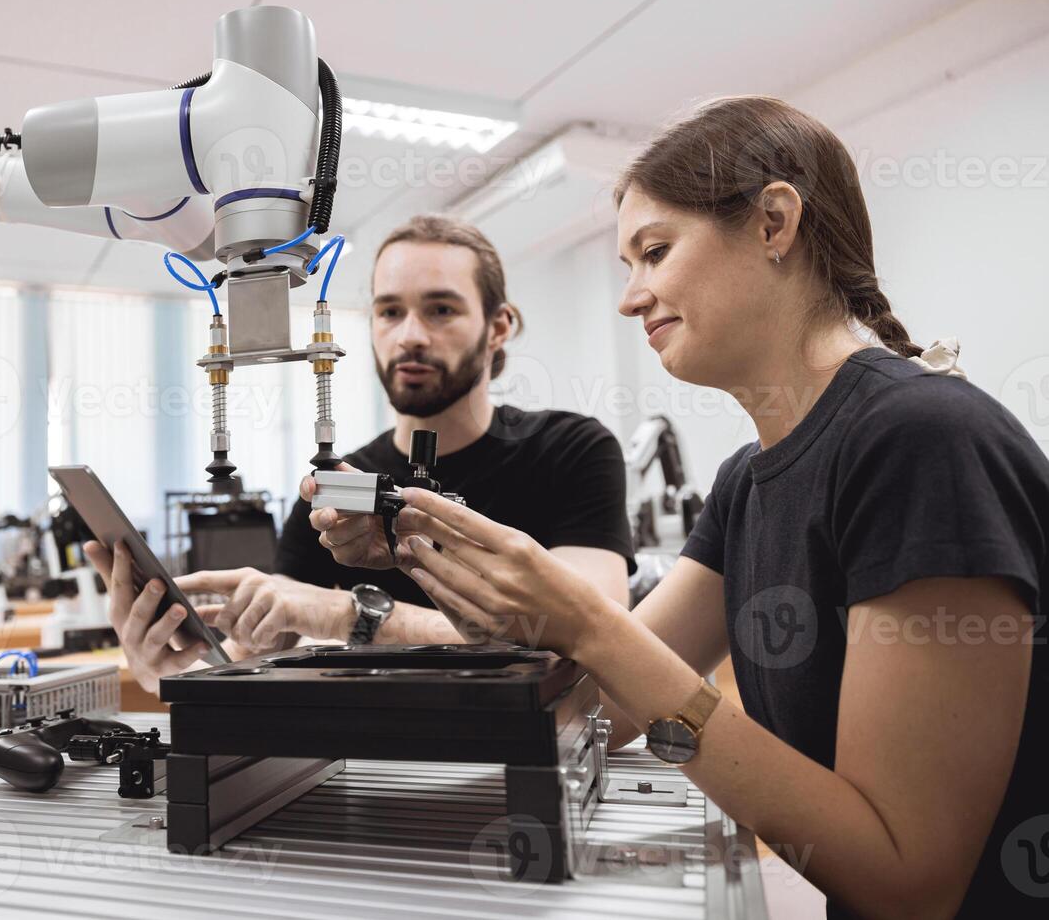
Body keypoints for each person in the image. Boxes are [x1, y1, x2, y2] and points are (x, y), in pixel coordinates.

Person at [325, 97, 1045, 916]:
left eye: (655, 253)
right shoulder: (746, 484)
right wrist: (432, 557)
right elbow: (605, 705)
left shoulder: (920, 439)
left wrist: (587, 621)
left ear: (775, 223)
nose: (632, 299)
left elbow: (909, 882)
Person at [86, 214, 635, 690]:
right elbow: (279, 656)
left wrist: (356, 615)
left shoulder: (571, 451)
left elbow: (594, 638)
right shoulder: (332, 492)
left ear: (498, 327)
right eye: (389, 312)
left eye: (441, 310)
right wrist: (181, 668)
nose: (410, 336)